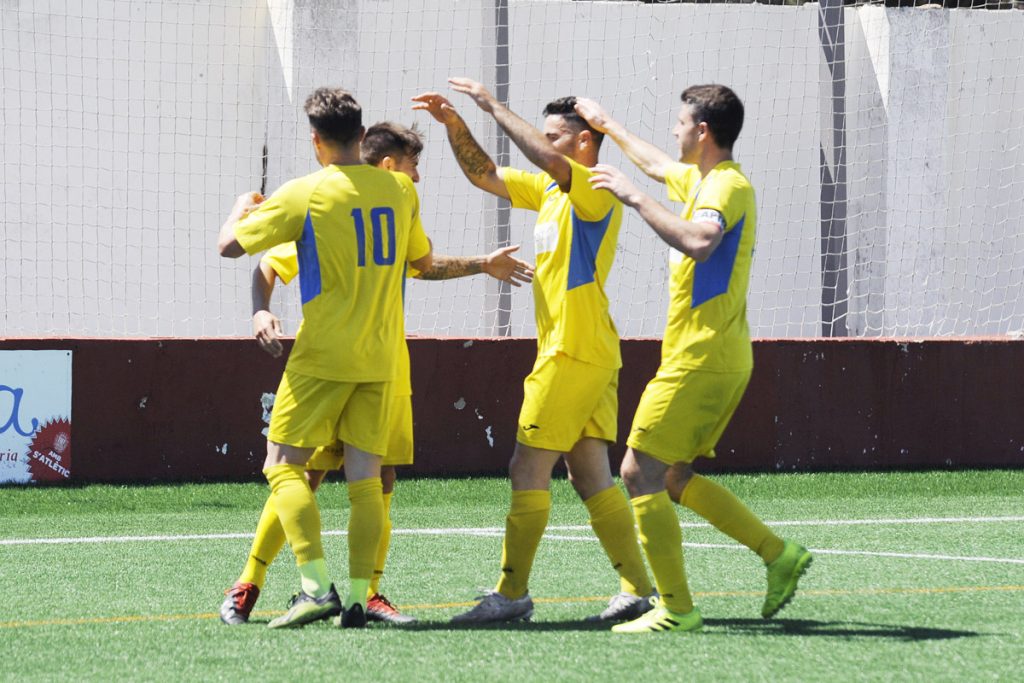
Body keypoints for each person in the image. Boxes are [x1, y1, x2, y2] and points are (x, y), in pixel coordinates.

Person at [220, 121, 534, 626]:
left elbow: (422, 264)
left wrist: (481, 263)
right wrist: (260, 308)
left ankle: (367, 593)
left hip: (383, 363)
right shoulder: (335, 200)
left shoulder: (383, 197)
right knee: (309, 474)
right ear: (390, 165)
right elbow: (270, 264)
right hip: (343, 364)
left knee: (376, 477)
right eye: (414, 165)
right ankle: (250, 581)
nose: (419, 177)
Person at [412, 81, 656, 624]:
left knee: (527, 467)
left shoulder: (591, 185)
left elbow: (542, 157)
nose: (544, 145)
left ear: (584, 143)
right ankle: (638, 589)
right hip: (585, 350)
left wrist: (493, 104)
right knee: (590, 474)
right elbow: (484, 174)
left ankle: (512, 592)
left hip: (571, 352)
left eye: (555, 136)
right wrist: (455, 124)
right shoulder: (550, 190)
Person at [573, 86, 812, 633]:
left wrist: (633, 198)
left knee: (637, 471)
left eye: (680, 122)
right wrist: (608, 126)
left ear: (702, 130)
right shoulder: (704, 179)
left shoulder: (726, 186)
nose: (674, 132)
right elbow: (657, 163)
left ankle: (676, 608)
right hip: (713, 355)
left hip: (701, 357)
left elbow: (699, 240)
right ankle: (778, 554)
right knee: (673, 476)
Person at [217, 88, 433, 629]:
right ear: (362, 136)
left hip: (322, 357)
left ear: (315, 141)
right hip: (382, 359)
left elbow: (230, 247)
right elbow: (421, 261)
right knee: (366, 481)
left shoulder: (306, 193)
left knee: (282, 466)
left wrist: (240, 211)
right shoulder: (401, 191)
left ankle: (315, 587)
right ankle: (359, 598)